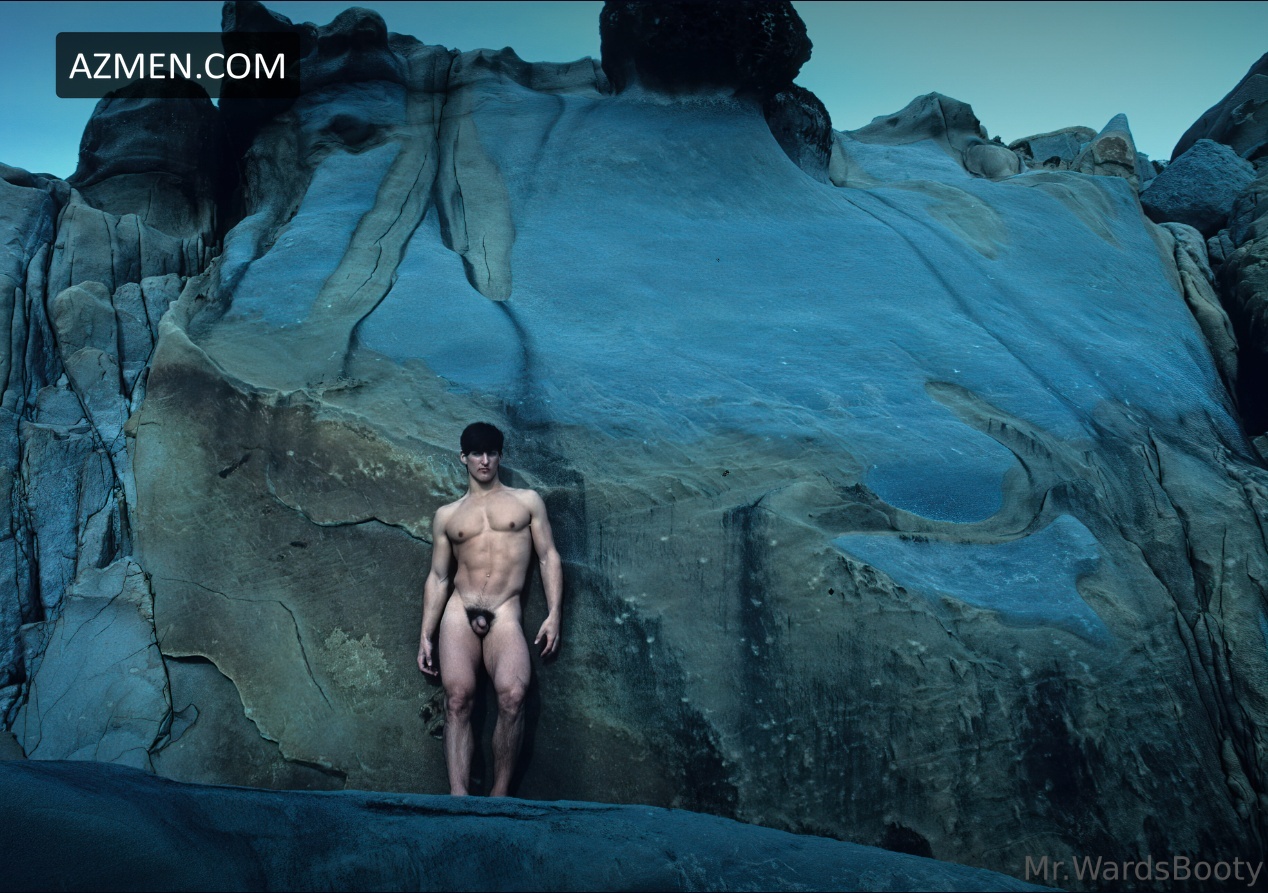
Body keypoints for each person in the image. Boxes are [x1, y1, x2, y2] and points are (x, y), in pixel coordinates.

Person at [417, 422, 563, 796]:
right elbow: (438, 577)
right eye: (476, 453)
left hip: (504, 612)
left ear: (500, 456)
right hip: (459, 611)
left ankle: (499, 798)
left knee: (513, 697)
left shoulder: (526, 502)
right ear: (463, 458)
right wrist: (425, 635)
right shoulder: (447, 515)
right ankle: (458, 797)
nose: (484, 460)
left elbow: (548, 557)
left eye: (492, 453)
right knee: (457, 700)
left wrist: (554, 613)